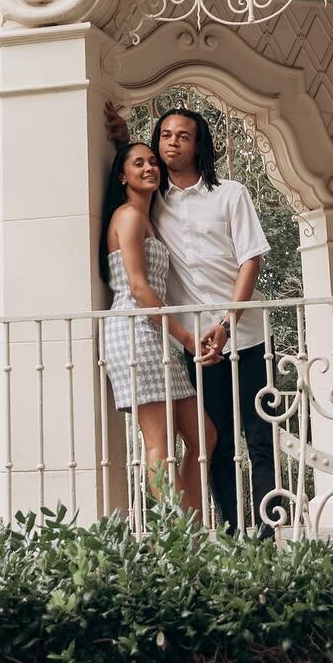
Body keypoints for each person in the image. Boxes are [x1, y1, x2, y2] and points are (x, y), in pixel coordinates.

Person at [107, 103, 278, 534]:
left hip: (246, 335)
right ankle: (235, 532)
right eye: (164, 135)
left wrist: (226, 324)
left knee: (260, 441)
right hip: (194, 347)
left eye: (182, 135)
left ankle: (266, 533)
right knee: (214, 444)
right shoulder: (152, 202)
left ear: (198, 143)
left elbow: (250, 260)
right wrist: (122, 138)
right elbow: (133, 168)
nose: (171, 144)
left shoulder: (231, 194)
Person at [100, 140, 215, 518]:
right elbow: (138, 287)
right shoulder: (129, 217)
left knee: (203, 436)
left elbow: (132, 161)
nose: (150, 167)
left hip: (154, 333)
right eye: (139, 164)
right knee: (159, 442)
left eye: (154, 162)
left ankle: (192, 527)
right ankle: (179, 536)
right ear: (122, 175)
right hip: (135, 331)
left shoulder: (146, 214)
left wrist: (121, 135)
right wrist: (184, 337)